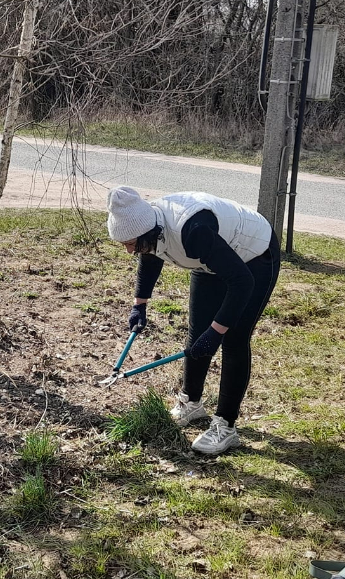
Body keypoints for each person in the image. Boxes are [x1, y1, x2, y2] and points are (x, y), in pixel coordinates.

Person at [106, 187, 280, 455]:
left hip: (253, 256)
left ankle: (226, 426)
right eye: (125, 244)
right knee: (197, 332)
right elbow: (150, 255)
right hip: (211, 259)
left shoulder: (192, 229)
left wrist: (217, 331)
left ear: (149, 231)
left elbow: (242, 282)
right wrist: (139, 305)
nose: (129, 250)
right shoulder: (148, 225)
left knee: (233, 339)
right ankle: (192, 403)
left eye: (131, 243)